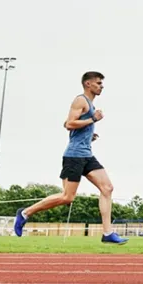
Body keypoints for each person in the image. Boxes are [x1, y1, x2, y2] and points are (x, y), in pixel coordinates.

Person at [14, 71, 128, 244]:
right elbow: (69, 123)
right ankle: (25, 213)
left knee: (107, 188)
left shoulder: (88, 104)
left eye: (102, 84)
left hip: (87, 155)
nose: (101, 86)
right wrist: (93, 119)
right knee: (67, 197)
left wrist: (89, 136)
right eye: (98, 83)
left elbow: (73, 125)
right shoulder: (80, 100)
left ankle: (107, 233)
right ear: (88, 84)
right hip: (74, 156)